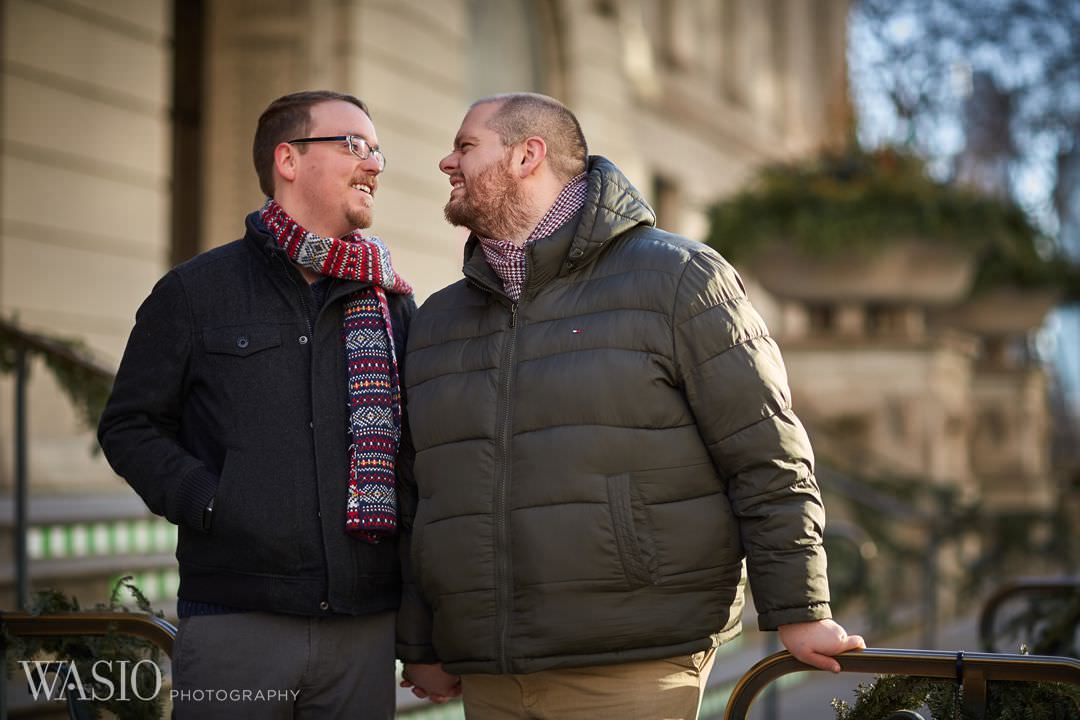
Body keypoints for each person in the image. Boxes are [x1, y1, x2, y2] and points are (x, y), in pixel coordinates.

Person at [396, 93, 866, 719]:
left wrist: (802, 612)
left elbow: (766, 456)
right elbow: (421, 495)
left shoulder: (679, 279)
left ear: (526, 156)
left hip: (635, 661)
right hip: (489, 674)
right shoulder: (438, 320)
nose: (446, 163)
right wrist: (423, 641)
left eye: (465, 147)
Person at [98, 90, 422, 719]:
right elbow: (131, 425)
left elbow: (413, 459)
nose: (376, 164)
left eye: (379, 150)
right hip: (236, 619)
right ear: (288, 160)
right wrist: (212, 500)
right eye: (355, 145)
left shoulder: (392, 305)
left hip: (362, 627)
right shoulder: (195, 291)